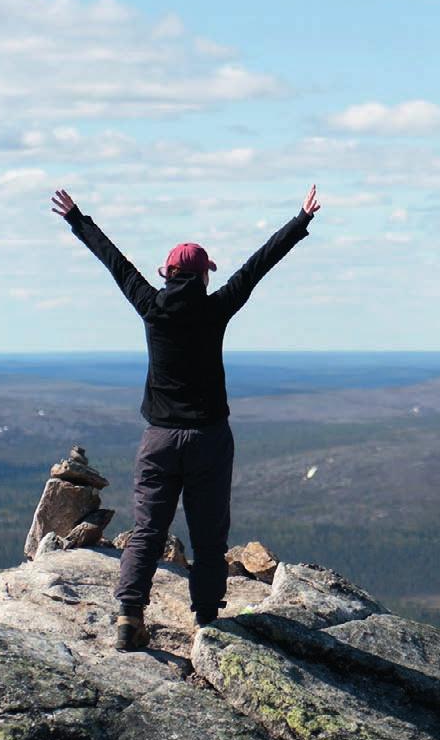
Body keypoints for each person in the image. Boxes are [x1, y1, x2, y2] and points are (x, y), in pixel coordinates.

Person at [51, 184, 321, 650]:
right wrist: (300, 220)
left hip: (159, 440)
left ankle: (129, 616)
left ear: (168, 274)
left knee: (148, 531)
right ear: (201, 277)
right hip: (209, 440)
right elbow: (258, 265)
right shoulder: (216, 308)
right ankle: (207, 622)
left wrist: (77, 218)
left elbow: (114, 260)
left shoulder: (151, 306)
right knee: (208, 536)